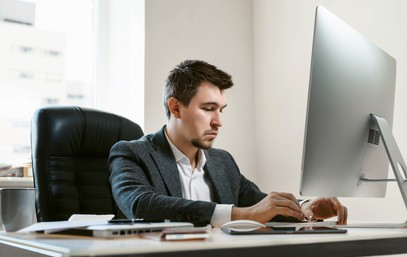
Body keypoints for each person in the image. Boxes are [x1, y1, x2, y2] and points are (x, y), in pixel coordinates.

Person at [109, 59, 348, 227]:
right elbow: (141, 205)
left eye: (221, 110)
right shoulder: (131, 153)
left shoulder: (222, 161)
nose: (218, 122)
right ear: (176, 107)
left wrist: (305, 209)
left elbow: (264, 206)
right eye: (208, 109)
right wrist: (241, 214)